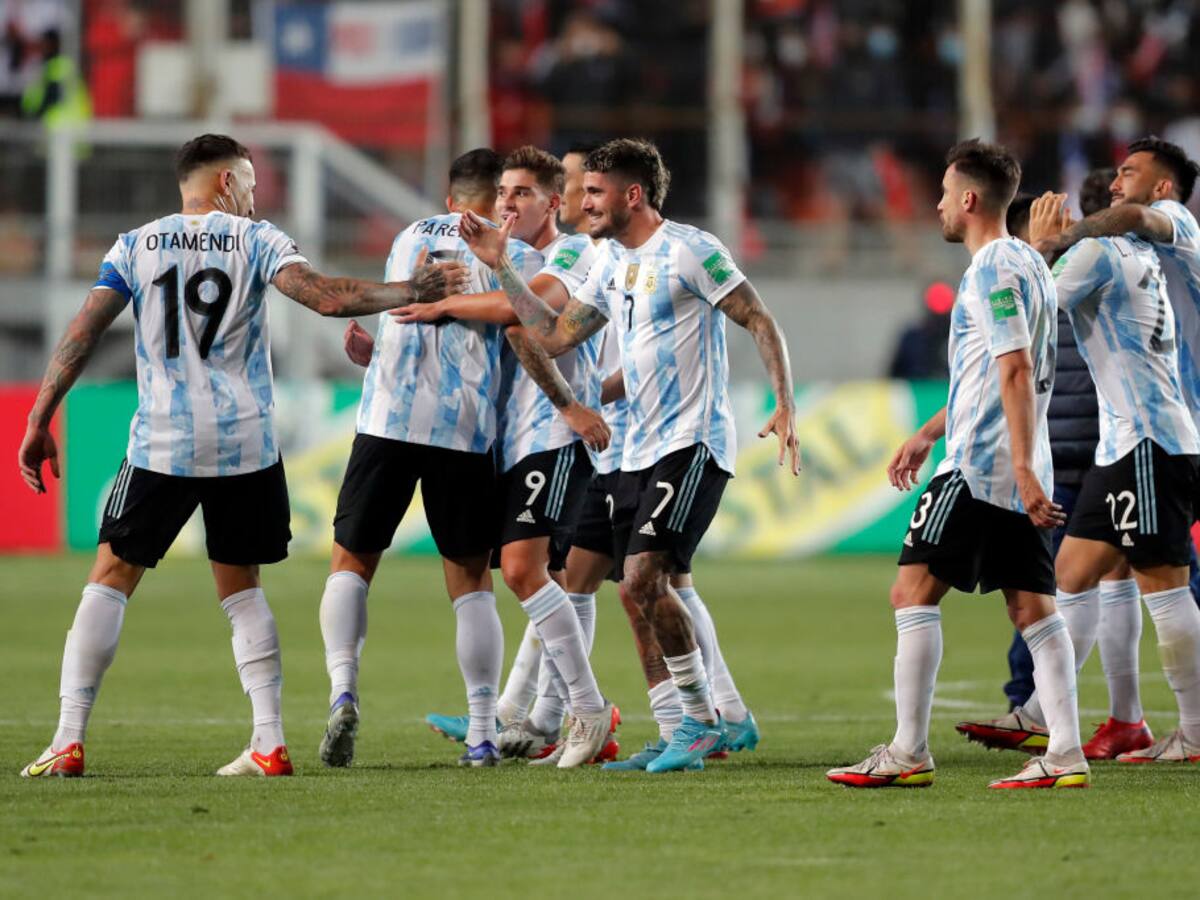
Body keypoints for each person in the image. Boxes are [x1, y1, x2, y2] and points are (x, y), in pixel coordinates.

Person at [17, 133, 469, 778]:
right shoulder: (258, 242)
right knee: (243, 589)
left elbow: (83, 331)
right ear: (226, 183)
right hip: (245, 443)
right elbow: (326, 298)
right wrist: (409, 290)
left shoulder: (136, 244)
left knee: (112, 575)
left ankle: (67, 738)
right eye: (251, 185)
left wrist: (39, 415)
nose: (256, 198)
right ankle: (269, 741)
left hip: (163, 441)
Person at [459, 137, 799, 773]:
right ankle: (671, 728)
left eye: (593, 191)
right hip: (629, 449)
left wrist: (785, 401)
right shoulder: (609, 261)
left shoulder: (691, 250)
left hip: (689, 442)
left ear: (632, 194)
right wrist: (503, 266)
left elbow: (758, 317)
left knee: (646, 578)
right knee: (617, 587)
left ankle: (702, 719)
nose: (582, 202)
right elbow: (555, 337)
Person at [323, 148, 615, 770]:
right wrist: (388, 348)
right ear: (485, 200)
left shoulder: (551, 253)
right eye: (505, 193)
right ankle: (502, 722)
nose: (510, 204)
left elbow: (527, 315)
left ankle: (577, 711)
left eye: (524, 194)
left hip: (518, 431)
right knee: (502, 577)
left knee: (521, 573)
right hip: (480, 434)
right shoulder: (516, 253)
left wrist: (438, 308)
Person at [826, 139, 1087, 790]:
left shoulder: (994, 268)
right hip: (1013, 462)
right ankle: (1065, 753)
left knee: (912, 592)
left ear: (969, 200)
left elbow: (1015, 369)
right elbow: (985, 373)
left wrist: (1019, 468)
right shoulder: (1029, 264)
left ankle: (909, 750)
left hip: (980, 468)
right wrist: (925, 430)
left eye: (944, 193)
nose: (938, 204)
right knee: (1033, 608)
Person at [1027, 136, 1200, 762]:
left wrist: (1041, 246)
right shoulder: (1133, 253)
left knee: (1164, 582)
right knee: (1073, 573)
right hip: (1130, 440)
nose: (1118, 180)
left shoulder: (1160, 226)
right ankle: (1060, 717)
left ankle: (1193, 732)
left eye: (1132, 171)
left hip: (1156, 437)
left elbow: (1024, 312)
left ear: (1161, 188)